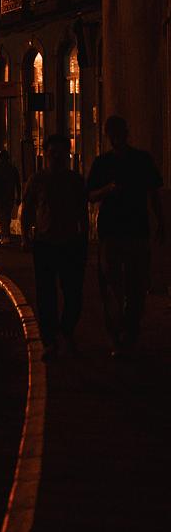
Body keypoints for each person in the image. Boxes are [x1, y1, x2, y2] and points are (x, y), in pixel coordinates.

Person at [87, 114, 165, 358]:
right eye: (113, 134)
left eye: (118, 133)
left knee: (133, 284)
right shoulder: (106, 162)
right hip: (115, 231)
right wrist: (108, 189)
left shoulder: (139, 160)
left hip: (130, 230)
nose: (115, 138)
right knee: (117, 284)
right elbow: (90, 195)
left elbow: (154, 192)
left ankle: (126, 332)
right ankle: (122, 333)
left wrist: (161, 221)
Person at [21, 133, 89, 360]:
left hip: (71, 243)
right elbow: (27, 209)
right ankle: (49, 340)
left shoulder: (75, 180)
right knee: (46, 294)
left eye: (61, 153)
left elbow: (83, 212)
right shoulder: (37, 180)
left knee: (73, 293)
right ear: (46, 155)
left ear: (67, 154)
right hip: (45, 243)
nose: (57, 157)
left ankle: (67, 329)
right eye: (53, 153)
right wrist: (25, 236)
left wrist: (84, 238)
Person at [0, 148, 21, 244]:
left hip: (0, 195)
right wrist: (18, 196)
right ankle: (6, 234)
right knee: (6, 215)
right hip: (8, 195)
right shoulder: (12, 169)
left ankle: (5, 234)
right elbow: (18, 184)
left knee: (2, 215)